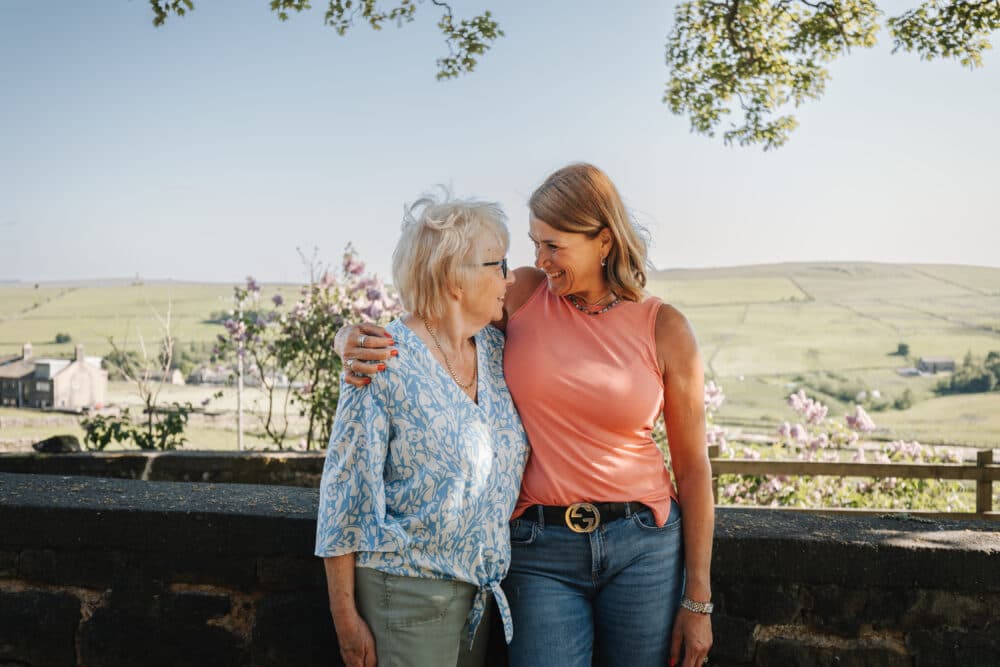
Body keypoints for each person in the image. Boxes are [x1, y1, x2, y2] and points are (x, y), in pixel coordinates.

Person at [336, 163, 714, 667]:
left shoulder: (665, 328)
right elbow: (433, 306)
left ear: (603, 241)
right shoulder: (526, 293)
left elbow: (693, 470)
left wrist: (699, 599)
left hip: (643, 546)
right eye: (534, 244)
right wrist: (347, 338)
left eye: (554, 246)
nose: (539, 260)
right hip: (539, 548)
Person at [315, 192, 529, 667]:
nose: (510, 277)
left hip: (479, 595)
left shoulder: (495, 350)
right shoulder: (381, 358)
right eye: (498, 264)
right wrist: (344, 616)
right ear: (455, 276)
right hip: (404, 595)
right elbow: (343, 495)